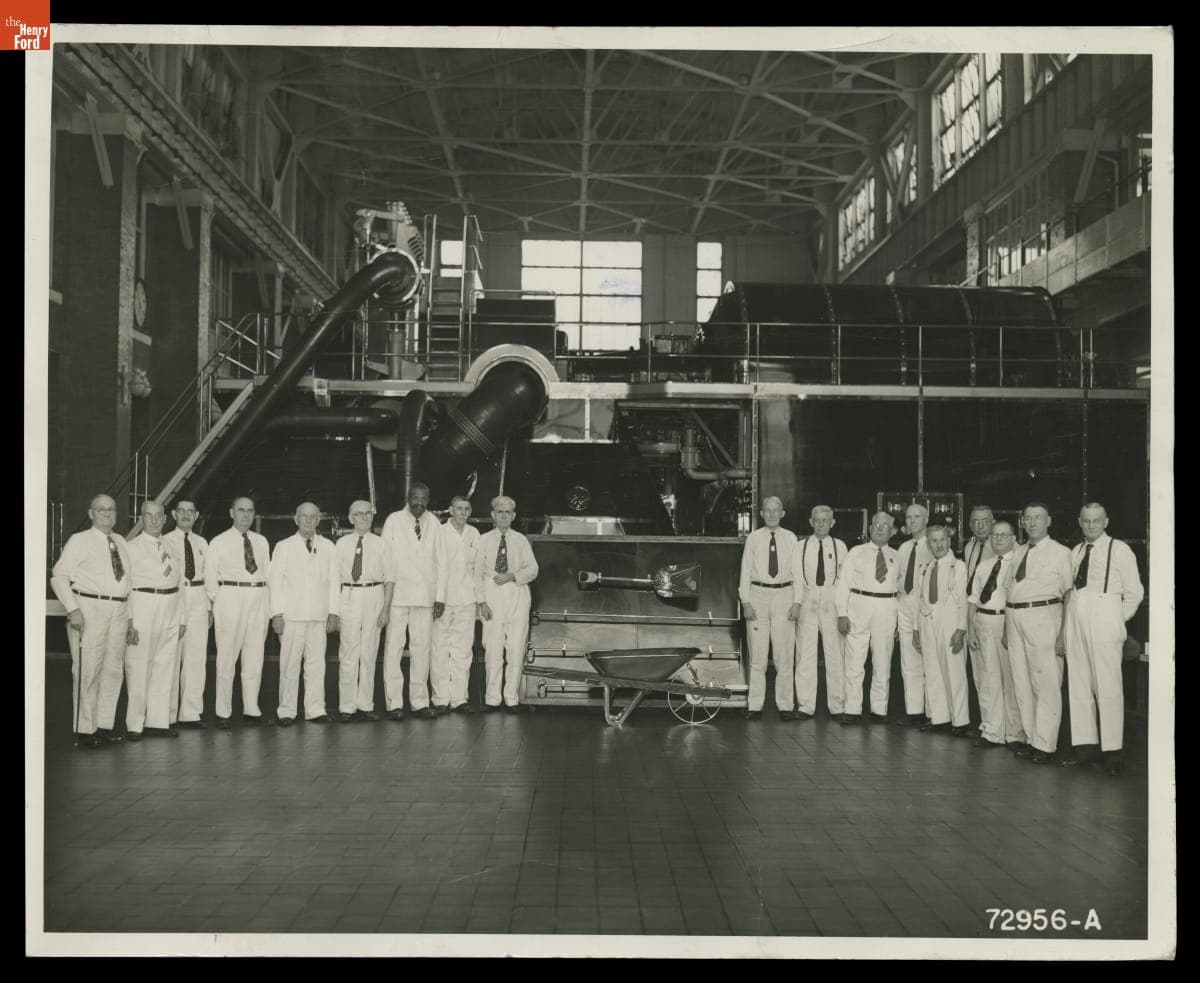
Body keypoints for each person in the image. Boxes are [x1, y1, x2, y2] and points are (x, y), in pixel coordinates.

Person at [1061, 503, 1145, 776]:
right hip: (1077, 615)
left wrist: (1116, 620)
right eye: (1086, 521)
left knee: (1108, 686)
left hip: (1105, 616)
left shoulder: (1120, 550)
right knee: (1079, 684)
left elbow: (1135, 592)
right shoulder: (1076, 551)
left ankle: (1112, 753)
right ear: (1079, 522)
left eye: (1096, 520)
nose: (1091, 526)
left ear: (1106, 521)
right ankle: (1085, 750)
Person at [50, 494, 132, 749]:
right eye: (101, 509)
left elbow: (128, 583)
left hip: (118, 610)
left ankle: (104, 725)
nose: (107, 513)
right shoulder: (79, 540)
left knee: (113, 669)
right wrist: (73, 609)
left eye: (111, 509)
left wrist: (129, 617)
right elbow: (59, 576)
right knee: (88, 669)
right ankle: (85, 729)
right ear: (91, 513)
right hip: (89, 608)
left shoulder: (121, 541)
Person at [1005, 502, 1074, 764]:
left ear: (1049, 521)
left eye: (1038, 518)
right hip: (1015, 617)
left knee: (1046, 682)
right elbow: (1011, 589)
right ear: (1022, 522)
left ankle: (1045, 744)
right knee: (1021, 680)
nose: (1032, 522)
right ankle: (1032, 738)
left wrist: (1063, 634)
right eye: (1028, 518)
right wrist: (1007, 627)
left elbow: (1069, 594)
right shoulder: (1019, 552)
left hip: (1044, 616)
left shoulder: (1061, 553)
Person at [269, 502, 340, 726]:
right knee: (289, 666)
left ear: (318, 519)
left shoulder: (328, 547)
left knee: (317, 665)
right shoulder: (283, 546)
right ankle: (286, 711)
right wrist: (276, 614)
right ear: (296, 519)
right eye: (304, 516)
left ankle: (315, 709)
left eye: (313, 517)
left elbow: (334, 581)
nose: (308, 521)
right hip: (292, 617)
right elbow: (275, 582)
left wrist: (333, 612)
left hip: (319, 616)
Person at [381, 483, 447, 721]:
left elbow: (442, 562)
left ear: (428, 500)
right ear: (408, 498)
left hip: (425, 597)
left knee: (422, 650)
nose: (419, 502)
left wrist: (440, 597)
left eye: (423, 498)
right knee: (394, 648)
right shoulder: (393, 520)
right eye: (415, 498)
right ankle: (394, 703)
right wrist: (386, 597)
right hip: (398, 597)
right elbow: (385, 558)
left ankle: (420, 702)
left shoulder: (435, 523)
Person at [206, 496, 272, 729]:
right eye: (241, 510)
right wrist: (219, 600)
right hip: (230, 597)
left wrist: (268, 604)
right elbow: (210, 576)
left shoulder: (262, 541)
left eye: (250, 510)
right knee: (226, 658)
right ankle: (223, 712)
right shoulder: (219, 541)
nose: (246, 515)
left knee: (254, 657)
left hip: (258, 597)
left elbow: (267, 573)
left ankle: (251, 710)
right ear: (231, 513)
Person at [124, 500, 185, 740]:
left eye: (159, 515)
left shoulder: (171, 546)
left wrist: (181, 618)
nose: (155, 520)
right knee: (139, 666)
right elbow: (126, 585)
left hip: (170, 606)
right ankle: (135, 724)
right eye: (149, 515)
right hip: (143, 606)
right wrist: (130, 620)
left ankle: (158, 722)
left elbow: (180, 583)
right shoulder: (131, 547)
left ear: (165, 518)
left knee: (165, 665)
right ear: (141, 518)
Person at [835, 512, 901, 725]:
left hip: (887, 607)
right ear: (870, 528)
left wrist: (899, 620)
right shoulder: (856, 552)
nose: (880, 528)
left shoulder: (897, 556)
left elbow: (901, 590)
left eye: (885, 526)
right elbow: (843, 584)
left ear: (892, 531)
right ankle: (852, 709)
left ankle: (879, 709)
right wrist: (842, 613)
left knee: (883, 660)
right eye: (876, 525)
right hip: (859, 605)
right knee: (854, 660)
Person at [738, 497, 800, 720]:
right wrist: (745, 601)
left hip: (784, 595)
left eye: (776, 510)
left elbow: (798, 572)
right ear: (762, 513)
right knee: (758, 654)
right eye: (768, 510)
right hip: (758, 595)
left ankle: (785, 706)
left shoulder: (791, 538)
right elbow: (745, 571)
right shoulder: (753, 538)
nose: (772, 514)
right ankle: (755, 705)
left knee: (784, 654)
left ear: (782, 513)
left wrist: (797, 602)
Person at [475, 495, 538, 712]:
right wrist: (482, 602)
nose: (504, 516)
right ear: (493, 515)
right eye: (500, 512)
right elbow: (476, 573)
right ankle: (492, 698)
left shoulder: (521, 540)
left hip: (517, 594)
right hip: (492, 593)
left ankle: (511, 698)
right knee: (493, 649)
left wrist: (512, 576)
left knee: (516, 648)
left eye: (508, 512)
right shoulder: (483, 540)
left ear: (514, 516)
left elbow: (533, 569)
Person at [334, 500, 393, 722]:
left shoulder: (381, 544)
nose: (365, 517)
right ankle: (346, 706)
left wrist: (385, 609)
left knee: (369, 652)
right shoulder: (340, 544)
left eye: (368, 513)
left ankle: (365, 704)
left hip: (374, 595)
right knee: (348, 652)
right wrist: (334, 611)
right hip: (349, 594)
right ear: (351, 518)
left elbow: (390, 579)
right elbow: (333, 579)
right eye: (359, 514)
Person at [966, 521, 1022, 750]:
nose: (998, 539)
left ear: (1013, 538)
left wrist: (1009, 629)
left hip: (1005, 622)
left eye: (1004, 535)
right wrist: (971, 629)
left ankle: (1015, 734)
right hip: (983, 622)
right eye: (995, 535)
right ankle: (991, 731)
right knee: (987, 680)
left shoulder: (1018, 563)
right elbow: (973, 599)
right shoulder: (984, 566)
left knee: (1011, 680)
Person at [912, 525, 970, 736]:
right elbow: (919, 600)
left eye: (942, 540)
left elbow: (963, 600)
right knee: (933, 671)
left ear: (949, 541)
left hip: (950, 624)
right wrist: (916, 629)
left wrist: (961, 629)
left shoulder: (958, 566)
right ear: (928, 544)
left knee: (954, 672)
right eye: (934, 541)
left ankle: (960, 721)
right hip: (928, 623)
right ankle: (939, 718)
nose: (939, 544)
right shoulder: (925, 568)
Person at [791, 505, 847, 721]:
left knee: (835, 654)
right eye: (817, 520)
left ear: (832, 523)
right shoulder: (801, 546)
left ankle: (838, 706)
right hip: (808, 600)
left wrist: (843, 610)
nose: (821, 524)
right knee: (805, 654)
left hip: (832, 602)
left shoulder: (840, 546)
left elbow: (845, 580)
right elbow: (797, 577)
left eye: (825, 520)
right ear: (811, 522)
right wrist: (797, 603)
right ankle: (805, 705)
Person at [164, 500, 211, 729]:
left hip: (199, 599)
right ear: (174, 514)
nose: (185, 515)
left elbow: (208, 576)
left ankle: (191, 714)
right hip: (176, 598)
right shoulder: (164, 541)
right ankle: (168, 715)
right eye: (181, 511)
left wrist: (208, 607)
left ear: (196, 515)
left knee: (196, 659)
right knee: (171, 659)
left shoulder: (202, 542)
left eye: (190, 511)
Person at [437, 496, 481, 714]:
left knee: (463, 650)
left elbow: (478, 568)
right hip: (442, 599)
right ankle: (440, 699)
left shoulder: (474, 534)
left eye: (467, 509)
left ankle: (459, 698)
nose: (463, 512)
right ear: (451, 510)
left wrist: (479, 598)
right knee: (439, 648)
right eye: (459, 509)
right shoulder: (439, 532)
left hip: (466, 599)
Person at [894, 504, 933, 725]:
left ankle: (932, 713)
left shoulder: (933, 544)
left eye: (917, 516)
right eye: (909, 517)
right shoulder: (904, 548)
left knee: (929, 661)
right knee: (908, 662)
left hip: (925, 605)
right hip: (906, 604)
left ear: (926, 519)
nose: (912, 521)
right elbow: (900, 579)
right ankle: (914, 712)